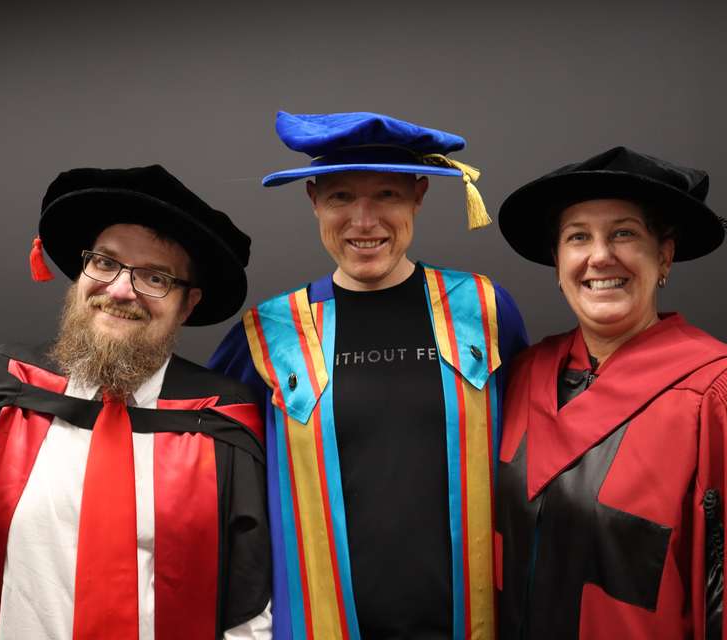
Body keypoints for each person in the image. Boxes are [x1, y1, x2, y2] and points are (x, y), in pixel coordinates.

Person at [495, 146, 727, 638]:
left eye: (624, 233)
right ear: (558, 263)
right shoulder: (521, 377)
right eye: (578, 237)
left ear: (663, 255)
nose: (600, 255)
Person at [209, 111, 528, 639]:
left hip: (473, 620)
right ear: (313, 199)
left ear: (419, 195)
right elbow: (216, 478)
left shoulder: (482, 308)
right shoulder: (270, 333)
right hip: (318, 623)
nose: (364, 220)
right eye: (340, 197)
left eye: (386, 194)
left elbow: (534, 450)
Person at [0, 165, 272, 640]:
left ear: (188, 304)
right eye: (105, 263)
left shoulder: (218, 425)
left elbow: (247, 616)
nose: (121, 290)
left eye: (155, 277)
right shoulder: (4, 396)